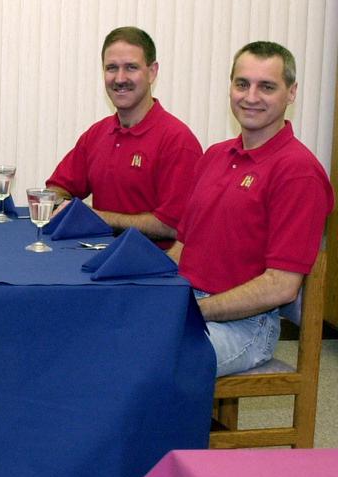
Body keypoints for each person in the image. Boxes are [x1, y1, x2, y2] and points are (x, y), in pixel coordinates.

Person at [170, 41, 332, 377]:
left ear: (292, 93)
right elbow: (181, 250)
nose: (251, 97)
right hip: (190, 303)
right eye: (242, 84)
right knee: (107, 336)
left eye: (267, 87)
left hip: (247, 328)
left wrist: (196, 311)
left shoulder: (299, 172)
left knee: (143, 362)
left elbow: (280, 286)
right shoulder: (214, 156)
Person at [46, 27, 201, 242]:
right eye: (111, 68)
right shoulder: (97, 134)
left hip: (147, 267)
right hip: (91, 258)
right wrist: (59, 204)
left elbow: (172, 226)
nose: (120, 78)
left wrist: (96, 217)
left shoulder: (177, 141)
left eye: (131, 68)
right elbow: (58, 187)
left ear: (152, 72)